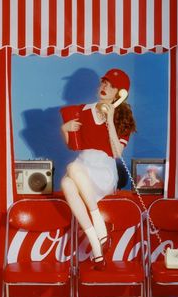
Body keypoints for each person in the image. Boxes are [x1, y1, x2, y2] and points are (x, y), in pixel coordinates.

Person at [60, 69, 136, 270]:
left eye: (111, 86)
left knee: (71, 168)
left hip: (103, 171)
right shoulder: (83, 110)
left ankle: (98, 227)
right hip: (83, 167)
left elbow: (117, 152)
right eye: (103, 83)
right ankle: (97, 243)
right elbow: (73, 146)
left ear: (120, 94)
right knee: (66, 182)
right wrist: (64, 130)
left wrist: (110, 119)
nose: (105, 87)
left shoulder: (123, 116)